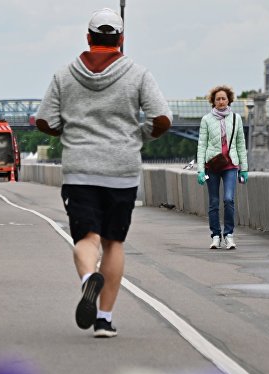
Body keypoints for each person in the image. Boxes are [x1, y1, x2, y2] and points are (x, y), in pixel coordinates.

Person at [36, 8, 172, 338]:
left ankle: (87, 280)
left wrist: (69, 134)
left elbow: (44, 121)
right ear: (120, 39)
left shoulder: (64, 75)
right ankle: (104, 320)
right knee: (113, 243)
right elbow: (162, 119)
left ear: (88, 38)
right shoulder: (138, 74)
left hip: (80, 168)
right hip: (122, 170)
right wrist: (138, 136)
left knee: (86, 238)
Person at [196, 85, 248, 250]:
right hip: (212, 165)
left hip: (231, 165)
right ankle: (216, 235)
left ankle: (229, 235)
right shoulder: (206, 120)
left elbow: (241, 144)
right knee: (213, 202)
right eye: (217, 99)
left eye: (223, 98)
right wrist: (200, 170)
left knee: (228, 199)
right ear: (213, 101)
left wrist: (244, 168)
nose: (220, 101)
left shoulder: (236, 118)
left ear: (229, 100)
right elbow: (201, 145)